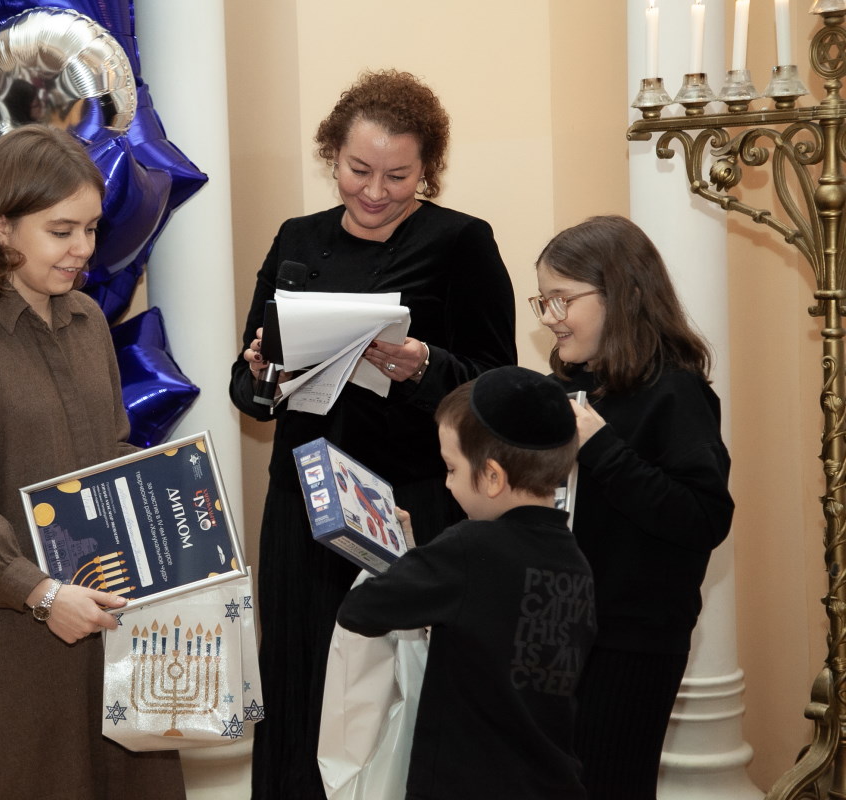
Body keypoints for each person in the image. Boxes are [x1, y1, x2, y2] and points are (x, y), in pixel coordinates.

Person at [228, 69, 517, 798]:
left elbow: (496, 384)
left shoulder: (461, 242)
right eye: (359, 170)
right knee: (299, 675)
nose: (376, 192)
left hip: (410, 502)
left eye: (399, 176)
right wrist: (261, 375)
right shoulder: (297, 238)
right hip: (306, 498)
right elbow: (248, 388)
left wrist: (425, 366)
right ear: (332, 154)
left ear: (429, 170)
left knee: (393, 689)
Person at [0, 124, 184, 800]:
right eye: (61, 231)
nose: (83, 248)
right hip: (15, 635)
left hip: (110, 617)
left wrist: (178, 505)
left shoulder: (87, 320)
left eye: (90, 228)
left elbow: (110, 451)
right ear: (1, 228)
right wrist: (41, 593)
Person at [531, 214, 734, 799]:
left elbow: (703, 518)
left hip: (633, 640)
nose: (549, 317)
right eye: (542, 301)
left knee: (610, 783)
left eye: (562, 299)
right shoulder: (573, 389)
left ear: (621, 293)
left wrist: (600, 447)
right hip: (561, 625)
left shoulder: (675, 391)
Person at [337, 366, 596, 799]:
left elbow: (360, 609)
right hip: (550, 782)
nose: (447, 483)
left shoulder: (470, 547)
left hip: (464, 782)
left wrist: (405, 554)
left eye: (451, 468)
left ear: (492, 477)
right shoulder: (575, 561)